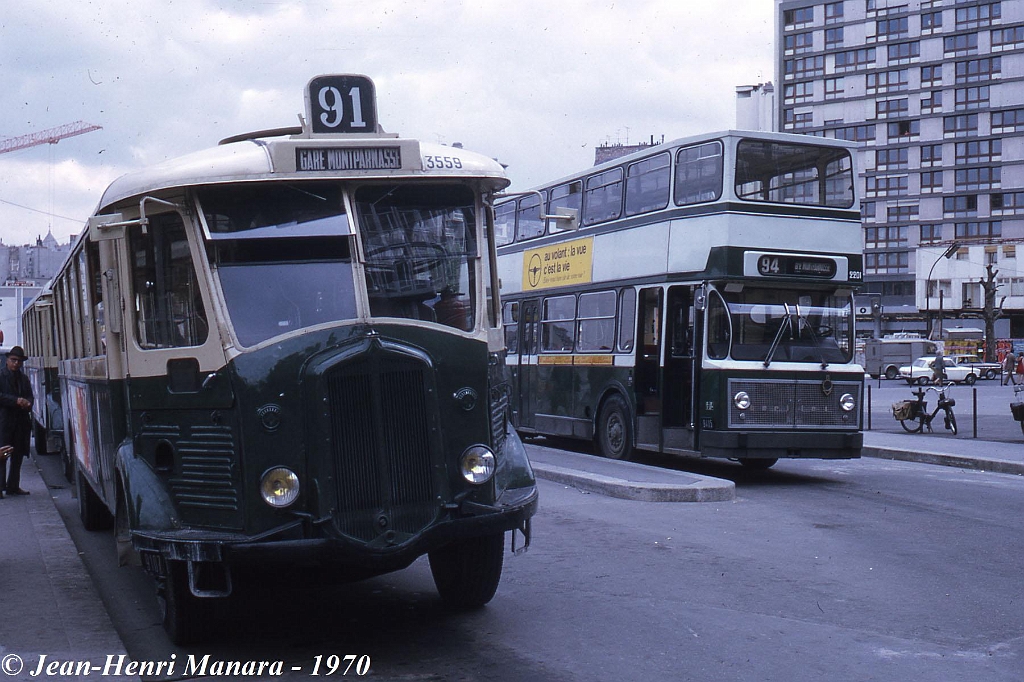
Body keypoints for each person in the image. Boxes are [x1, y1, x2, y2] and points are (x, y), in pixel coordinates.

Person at [0, 346, 34, 497]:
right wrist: (16, 401)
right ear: (7, 360)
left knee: (18, 455)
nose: (16, 364)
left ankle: (13, 486)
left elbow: (30, 396)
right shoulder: (1, 376)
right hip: (4, 421)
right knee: (2, 455)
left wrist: (28, 403)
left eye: (19, 361)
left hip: (20, 422)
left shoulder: (23, 378)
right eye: (13, 360)